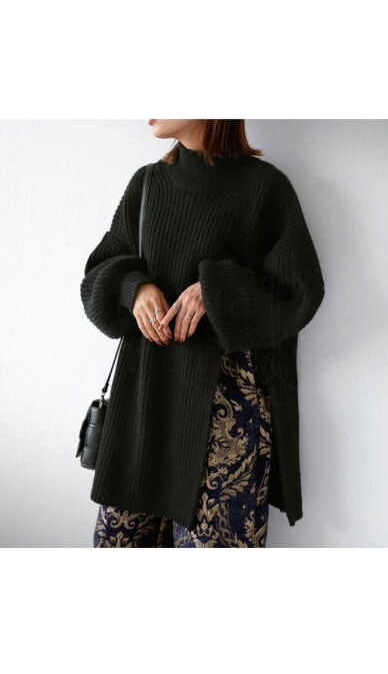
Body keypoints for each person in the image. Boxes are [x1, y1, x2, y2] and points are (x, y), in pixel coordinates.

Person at [80, 119, 325, 548]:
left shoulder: (265, 188)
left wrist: (217, 291)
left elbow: (299, 293)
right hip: (145, 412)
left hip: (225, 427)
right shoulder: (148, 184)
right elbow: (96, 278)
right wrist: (133, 288)